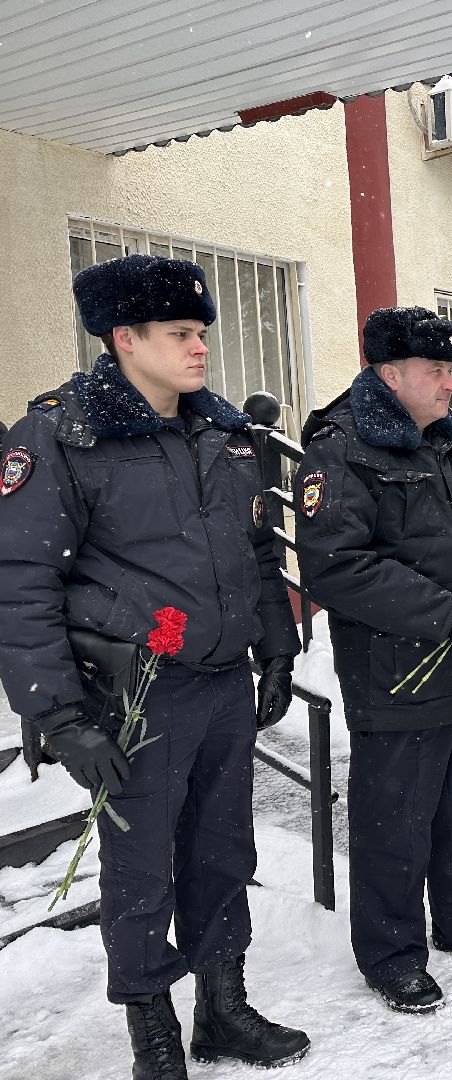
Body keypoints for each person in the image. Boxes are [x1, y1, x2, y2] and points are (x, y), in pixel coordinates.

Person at [0, 254, 308, 1078]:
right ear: (124, 338)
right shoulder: (62, 436)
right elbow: (22, 583)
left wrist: (276, 645)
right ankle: (154, 1036)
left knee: (223, 853)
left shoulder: (222, 432)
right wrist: (59, 715)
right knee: (140, 874)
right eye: (180, 333)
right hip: (132, 696)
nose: (200, 346)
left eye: (201, 331)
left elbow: (254, 550)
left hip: (222, 683)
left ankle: (223, 1009)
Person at [294, 307, 452, 1014]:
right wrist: (441, 611)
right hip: (397, 670)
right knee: (394, 818)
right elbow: (335, 566)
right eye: (437, 370)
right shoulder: (343, 447)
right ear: (390, 374)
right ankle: (391, 954)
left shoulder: (451, 445)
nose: (451, 384)